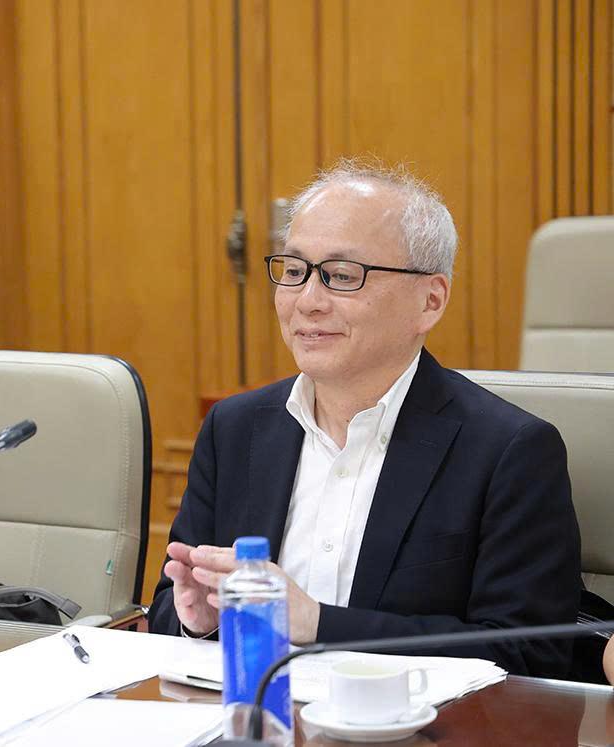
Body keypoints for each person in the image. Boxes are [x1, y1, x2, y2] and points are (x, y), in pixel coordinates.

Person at [148, 162, 581, 678]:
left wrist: (317, 623)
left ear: (430, 300)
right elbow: (168, 607)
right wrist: (202, 622)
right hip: (256, 710)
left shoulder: (509, 450)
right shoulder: (235, 428)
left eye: (341, 276)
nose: (308, 301)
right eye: (294, 271)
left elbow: (531, 655)